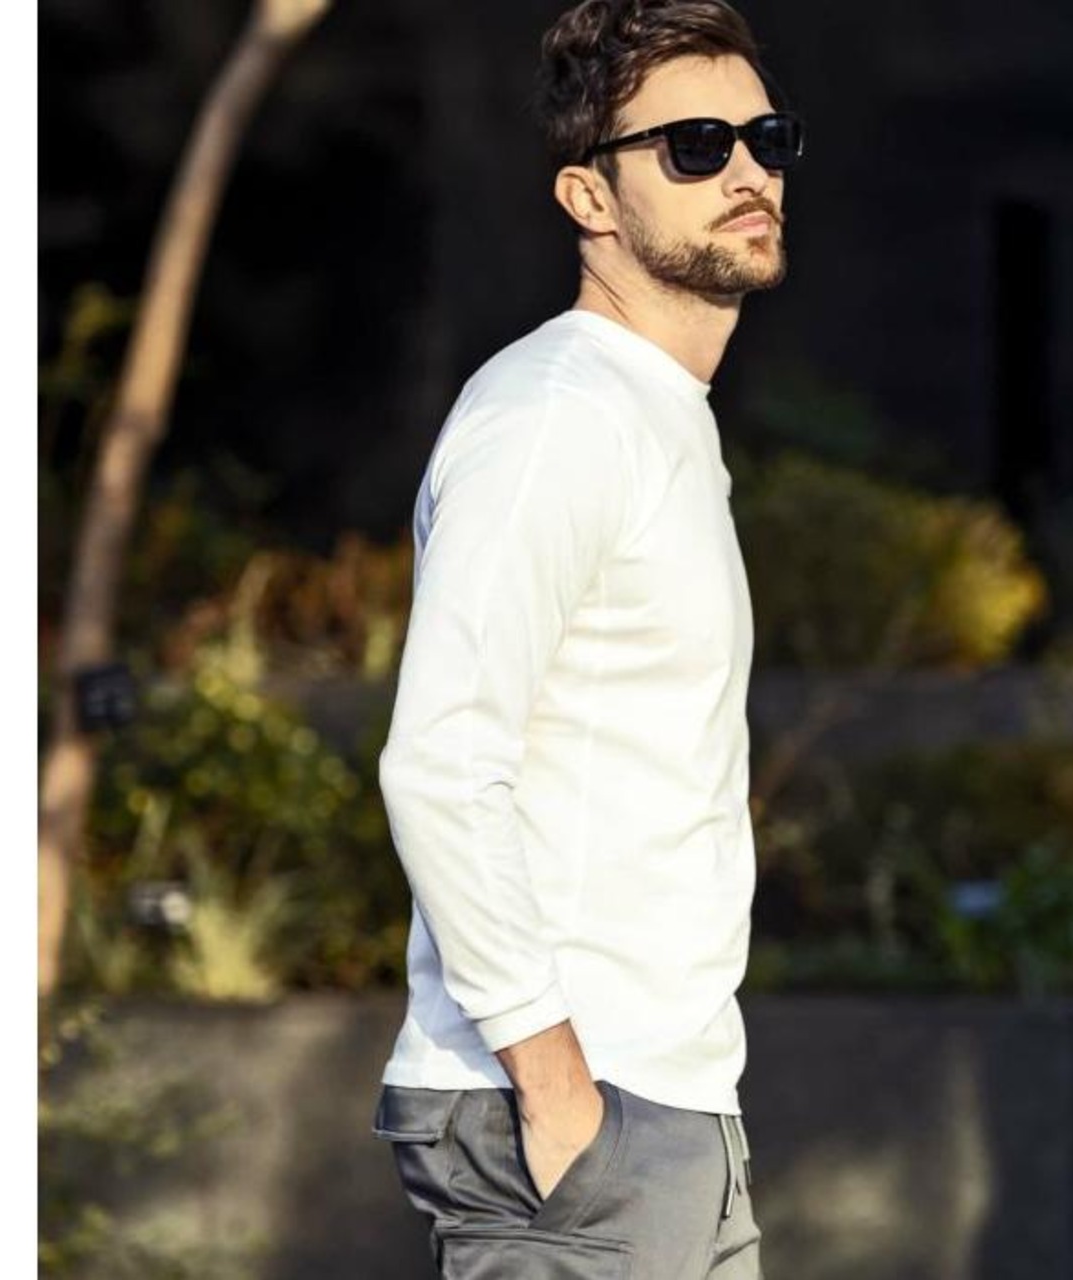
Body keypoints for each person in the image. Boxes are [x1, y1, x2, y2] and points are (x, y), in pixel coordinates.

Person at [372, 1, 801, 1275]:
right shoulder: (558, 413)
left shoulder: (653, 412)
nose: (744, 172)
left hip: (664, 1101)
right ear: (587, 195)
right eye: (692, 146)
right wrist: (557, 1086)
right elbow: (441, 756)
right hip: (573, 1115)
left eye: (765, 138)